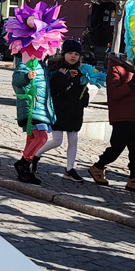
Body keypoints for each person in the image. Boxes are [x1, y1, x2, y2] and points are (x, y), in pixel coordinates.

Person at [86, 52, 135, 194]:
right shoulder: (116, 69)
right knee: (117, 148)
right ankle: (98, 167)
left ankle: (134, 179)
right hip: (121, 116)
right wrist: (131, 84)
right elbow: (114, 93)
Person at [32, 38, 91, 182]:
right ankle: (35, 155)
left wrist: (84, 91)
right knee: (57, 141)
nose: (73, 56)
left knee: (74, 140)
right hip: (59, 111)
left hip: (74, 112)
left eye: (76, 54)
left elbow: (83, 92)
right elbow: (53, 89)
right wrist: (64, 77)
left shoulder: (82, 71)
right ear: (64, 54)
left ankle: (70, 169)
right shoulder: (55, 68)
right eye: (70, 53)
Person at [12, 48, 55, 184]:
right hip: (31, 107)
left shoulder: (42, 64)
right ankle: (23, 163)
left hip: (41, 108)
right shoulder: (25, 62)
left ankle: (26, 170)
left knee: (32, 138)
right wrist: (26, 77)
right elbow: (17, 80)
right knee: (42, 137)